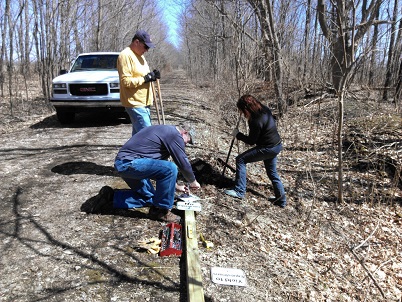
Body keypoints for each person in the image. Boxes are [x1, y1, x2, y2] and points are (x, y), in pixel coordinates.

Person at [84, 125, 201, 223]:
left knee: (151, 197)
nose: (185, 144)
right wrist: (193, 181)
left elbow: (160, 167)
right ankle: (161, 211)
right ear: (184, 132)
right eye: (187, 140)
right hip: (130, 163)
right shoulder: (174, 135)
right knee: (171, 169)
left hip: (125, 164)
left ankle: (111, 197)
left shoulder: (164, 132)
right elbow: (183, 163)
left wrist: (176, 186)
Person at [224, 95, 287, 208]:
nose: (243, 114)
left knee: (240, 159)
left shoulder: (255, 121)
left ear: (247, 109)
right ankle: (281, 200)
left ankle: (239, 191)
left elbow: (251, 141)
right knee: (272, 173)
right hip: (276, 145)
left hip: (268, 148)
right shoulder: (265, 110)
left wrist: (238, 135)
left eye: (242, 111)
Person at [117, 29, 160, 135]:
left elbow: (143, 75)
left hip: (144, 102)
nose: (147, 50)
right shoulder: (125, 56)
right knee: (147, 136)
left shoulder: (140, 57)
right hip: (135, 103)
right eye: (146, 46)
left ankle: (132, 152)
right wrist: (145, 78)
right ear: (137, 42)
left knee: (138, 137)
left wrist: (152, 76)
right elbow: (125, 82)